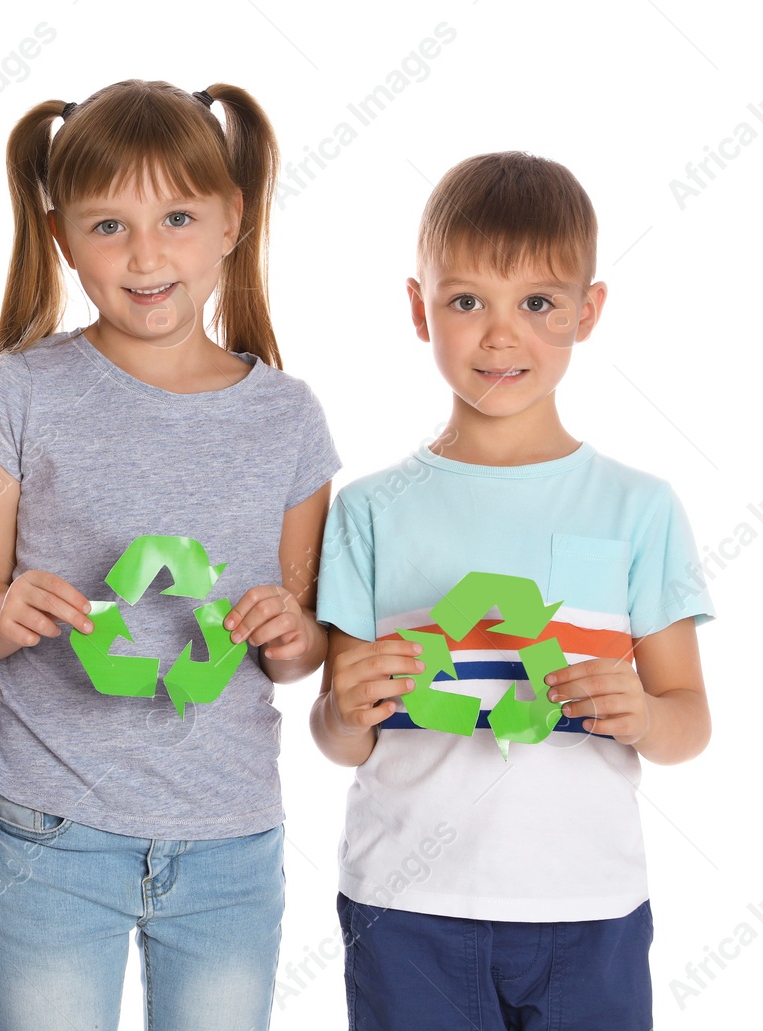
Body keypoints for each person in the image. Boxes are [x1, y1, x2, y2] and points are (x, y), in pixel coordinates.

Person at [0, 80, 339, 1031]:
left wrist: (292, 632)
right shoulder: (18, 395)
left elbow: (302, 644)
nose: (148, 252)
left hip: (228, 837)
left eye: (177, 216)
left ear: (232, 218)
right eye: (109, 224)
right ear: (61, 237)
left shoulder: (287, 418)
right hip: (49, 826)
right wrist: (3, 612)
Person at [312, 152, 713, 1030]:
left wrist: (644, 711)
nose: (502, 336)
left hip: (589, 905)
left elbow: (689, 718)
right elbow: (339, 736)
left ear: (586, 311)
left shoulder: (638, 506)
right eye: (466, 302)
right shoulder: (370, 508)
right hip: (405, 904)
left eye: (537, 303)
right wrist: (345, 709)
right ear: (420, 310)